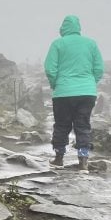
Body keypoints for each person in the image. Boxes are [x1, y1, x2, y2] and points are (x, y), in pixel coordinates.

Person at [43, 15, 104, 170]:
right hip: (87, 93)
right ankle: (83, 160)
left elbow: (50, 69)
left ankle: (59, 158)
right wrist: (90, 84)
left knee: (62, 124)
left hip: (63, 92)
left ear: (63, 28)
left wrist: (55, 84)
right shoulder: (91, 44)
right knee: (83, 125)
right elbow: (99, 69)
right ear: (78, 27)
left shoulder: (58, 44)